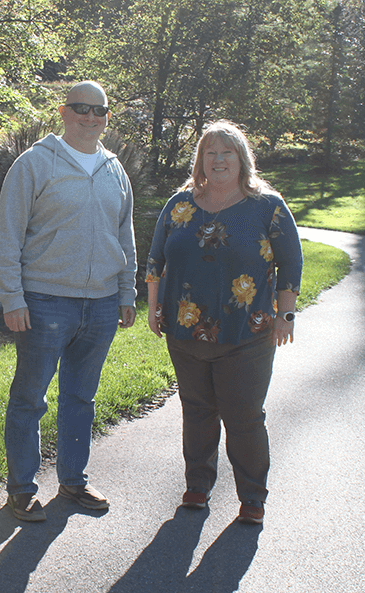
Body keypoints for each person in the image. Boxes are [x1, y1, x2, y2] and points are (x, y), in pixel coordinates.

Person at [0, 81, 137, 522]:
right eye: (80, 108)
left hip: (102, 304)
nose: (90, 117)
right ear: (63, 111)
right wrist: (11, 297)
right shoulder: (34, 164)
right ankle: (21, 490)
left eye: (99, 110)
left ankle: (74, 480)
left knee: (81, 397)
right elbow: (8, 234)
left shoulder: (115, 169)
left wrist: (126, 290)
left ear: (107, 117)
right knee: (30, 398)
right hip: (45, 301)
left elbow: (124, 235)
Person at [144, 120, 302, 525]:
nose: (218, 160)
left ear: (242, 159)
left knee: (244, 415)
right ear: (200, 160)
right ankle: (197, 486)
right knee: (196, 411)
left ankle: (252, 496)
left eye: (226, 152)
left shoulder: (266, 205)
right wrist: (152, 306)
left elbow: (291, 261)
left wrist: (285, 314)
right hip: (184, 331)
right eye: (210, 153)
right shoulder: (179, 204)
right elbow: (155, 260)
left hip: (246, 334)